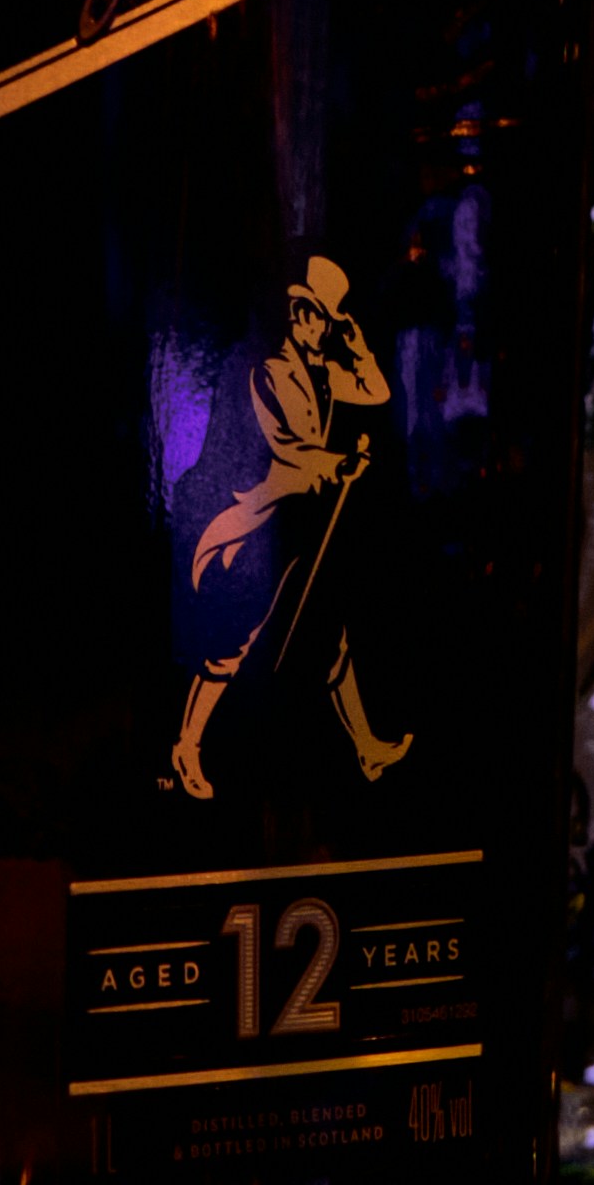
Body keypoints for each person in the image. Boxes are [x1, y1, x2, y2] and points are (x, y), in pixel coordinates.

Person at [174, 250, 414, 797]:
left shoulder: (329, 373)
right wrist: (338, 463)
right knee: (236, 638)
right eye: (303, 312)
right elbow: (287, 450)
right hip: (263, 525)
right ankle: (187, 746)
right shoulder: (267, 372)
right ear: (291, 312)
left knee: (332, 637)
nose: (310, 324)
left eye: (320, 317)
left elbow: (376, 390)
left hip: (307, 524)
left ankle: (366, 750)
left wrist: (356, 344)